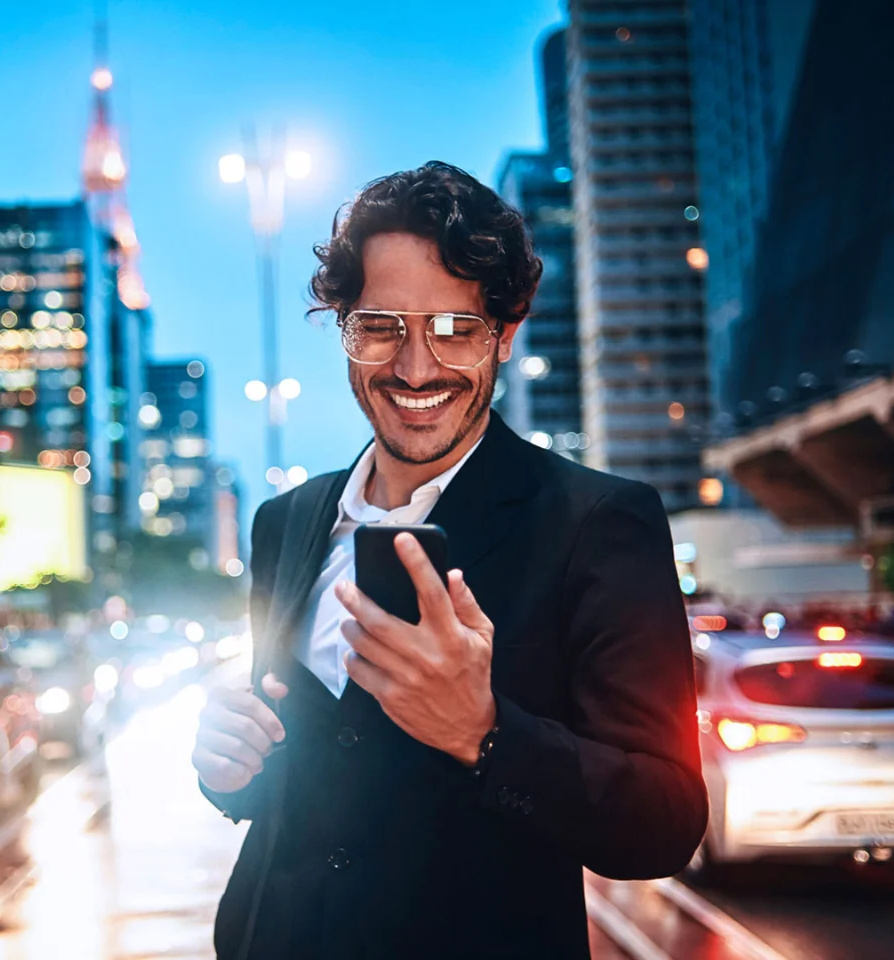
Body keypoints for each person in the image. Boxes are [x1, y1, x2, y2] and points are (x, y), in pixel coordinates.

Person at [192, 162, 706, 959]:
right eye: (380, 326)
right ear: (344, 329)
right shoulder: (285, 523)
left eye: (455, 329)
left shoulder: (598, 524)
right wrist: (230, 768)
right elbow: (297, 776)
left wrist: (487, 733)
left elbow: (665, 822)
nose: (416, 367)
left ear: (504, 332)